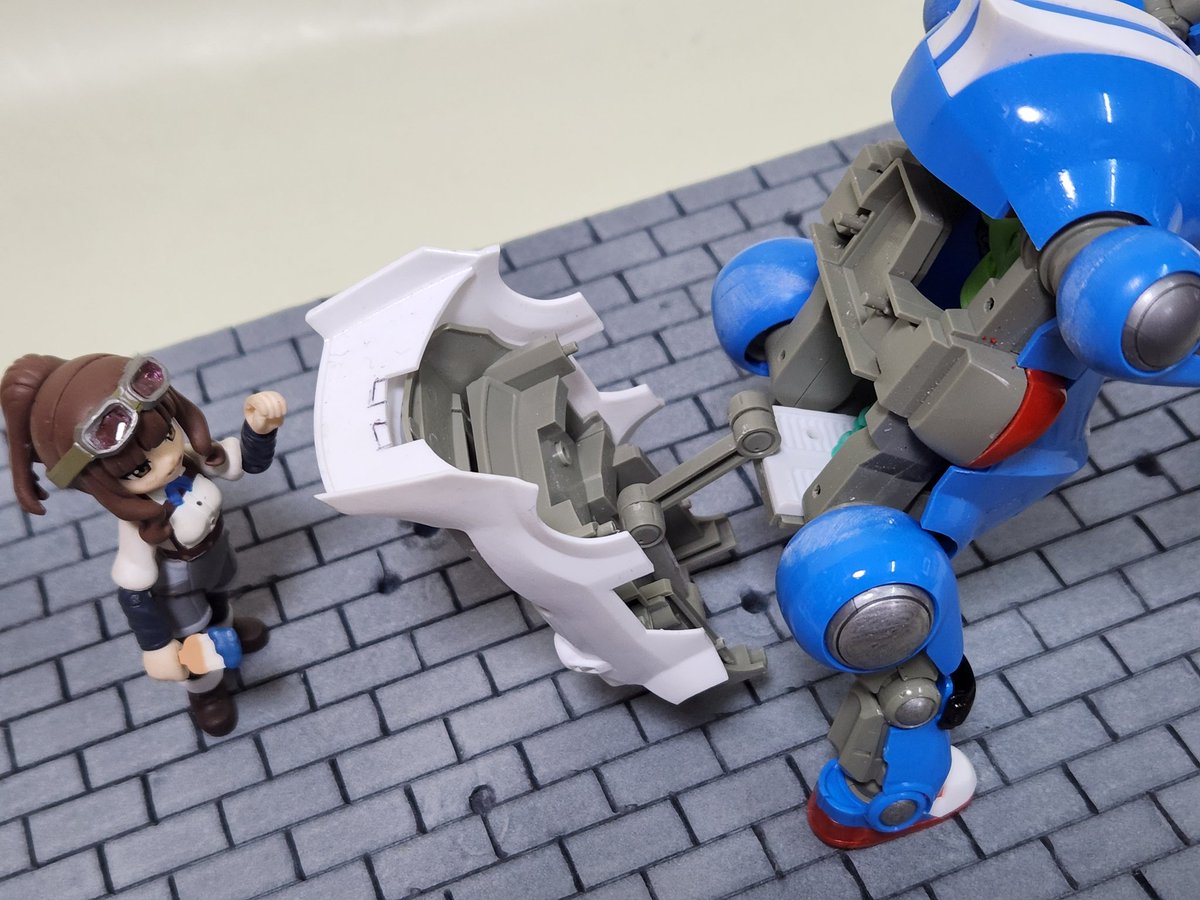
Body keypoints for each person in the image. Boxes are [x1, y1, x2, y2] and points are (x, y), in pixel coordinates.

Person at [1, 353, 286, 735]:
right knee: (194, 643)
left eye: (166, 435)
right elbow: (132, 589)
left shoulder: (190, 460)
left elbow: (245, 462)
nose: (166, 461)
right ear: (97, 482)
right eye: (139, 468)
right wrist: (156, 646)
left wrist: (260, 429)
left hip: (215, 555)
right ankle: (206, 693)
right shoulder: (138, 521)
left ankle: (228, 631)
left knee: (220, 602)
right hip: (178, 584)